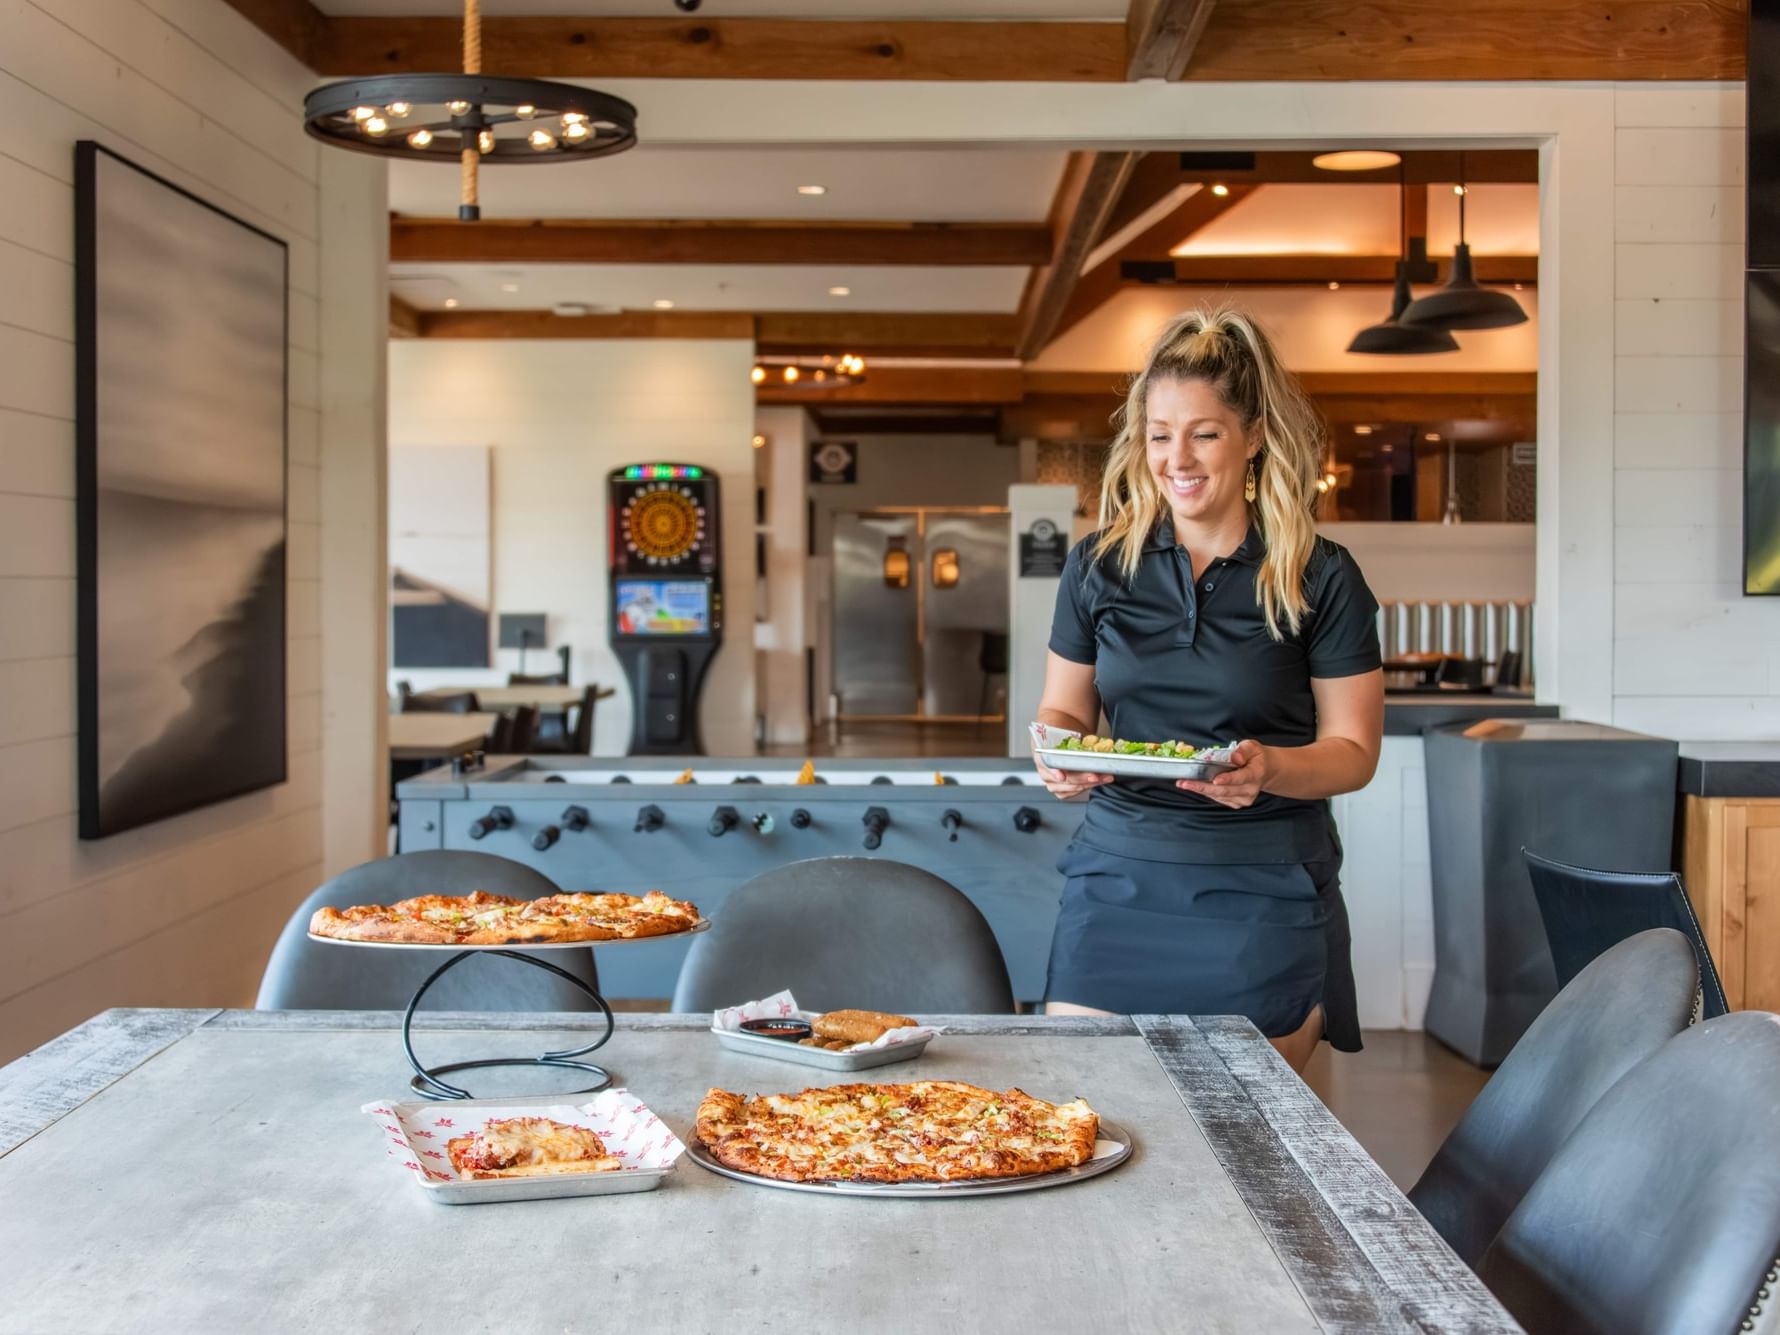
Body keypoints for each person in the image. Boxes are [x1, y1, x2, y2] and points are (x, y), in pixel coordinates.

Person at [1034, 305, 1384, 1074]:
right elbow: (1064, 705)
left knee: (1258, 1151)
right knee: (1088, 1115)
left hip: (1260, 885)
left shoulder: (1319, 574)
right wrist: (1059, 749)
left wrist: (1272, 770)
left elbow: (1355, 751)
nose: (1177, 457)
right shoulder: (1098, 565)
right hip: (1116, 881)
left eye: (1204, 432)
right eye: (1160, 434)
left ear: (1253, 436)